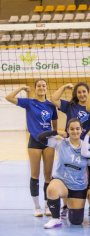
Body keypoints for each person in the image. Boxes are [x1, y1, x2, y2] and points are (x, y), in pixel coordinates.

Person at [6, 79, 58, 217]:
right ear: (35, 88)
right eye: (39, 85)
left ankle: (47, 205)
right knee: (35, 175)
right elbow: (8, 98)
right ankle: (36, 207)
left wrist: (54, 135)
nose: (41, 87)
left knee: (48, 176)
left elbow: (55, 124)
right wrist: (21, 87)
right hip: (34, 142)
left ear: (47, 88)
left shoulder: (51, 105)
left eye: (44, 85)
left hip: (48, 142)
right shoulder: (29, 103)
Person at [51, 82, 90, 216]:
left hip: (85, 145)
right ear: (76, 94)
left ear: (88, 93)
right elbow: (54, 99)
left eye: (84, 92)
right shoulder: (71, 106)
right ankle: (65, 205)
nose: (82, 94)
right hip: (69, 145)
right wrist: (64, 86)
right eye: (79, 92)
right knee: (67, 171)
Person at [38, 119, 90, 229]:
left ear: (81, 130)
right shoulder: (61, 142)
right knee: (51, 189)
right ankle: (55, 219)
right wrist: (56, 132)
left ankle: (69, 208)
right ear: (67, 130)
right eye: (71, 129)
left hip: (78, 186)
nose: (75, 131)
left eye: (77, 128)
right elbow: (40, 138)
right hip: (62, 181)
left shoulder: (87, 147)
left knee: (76, 221)